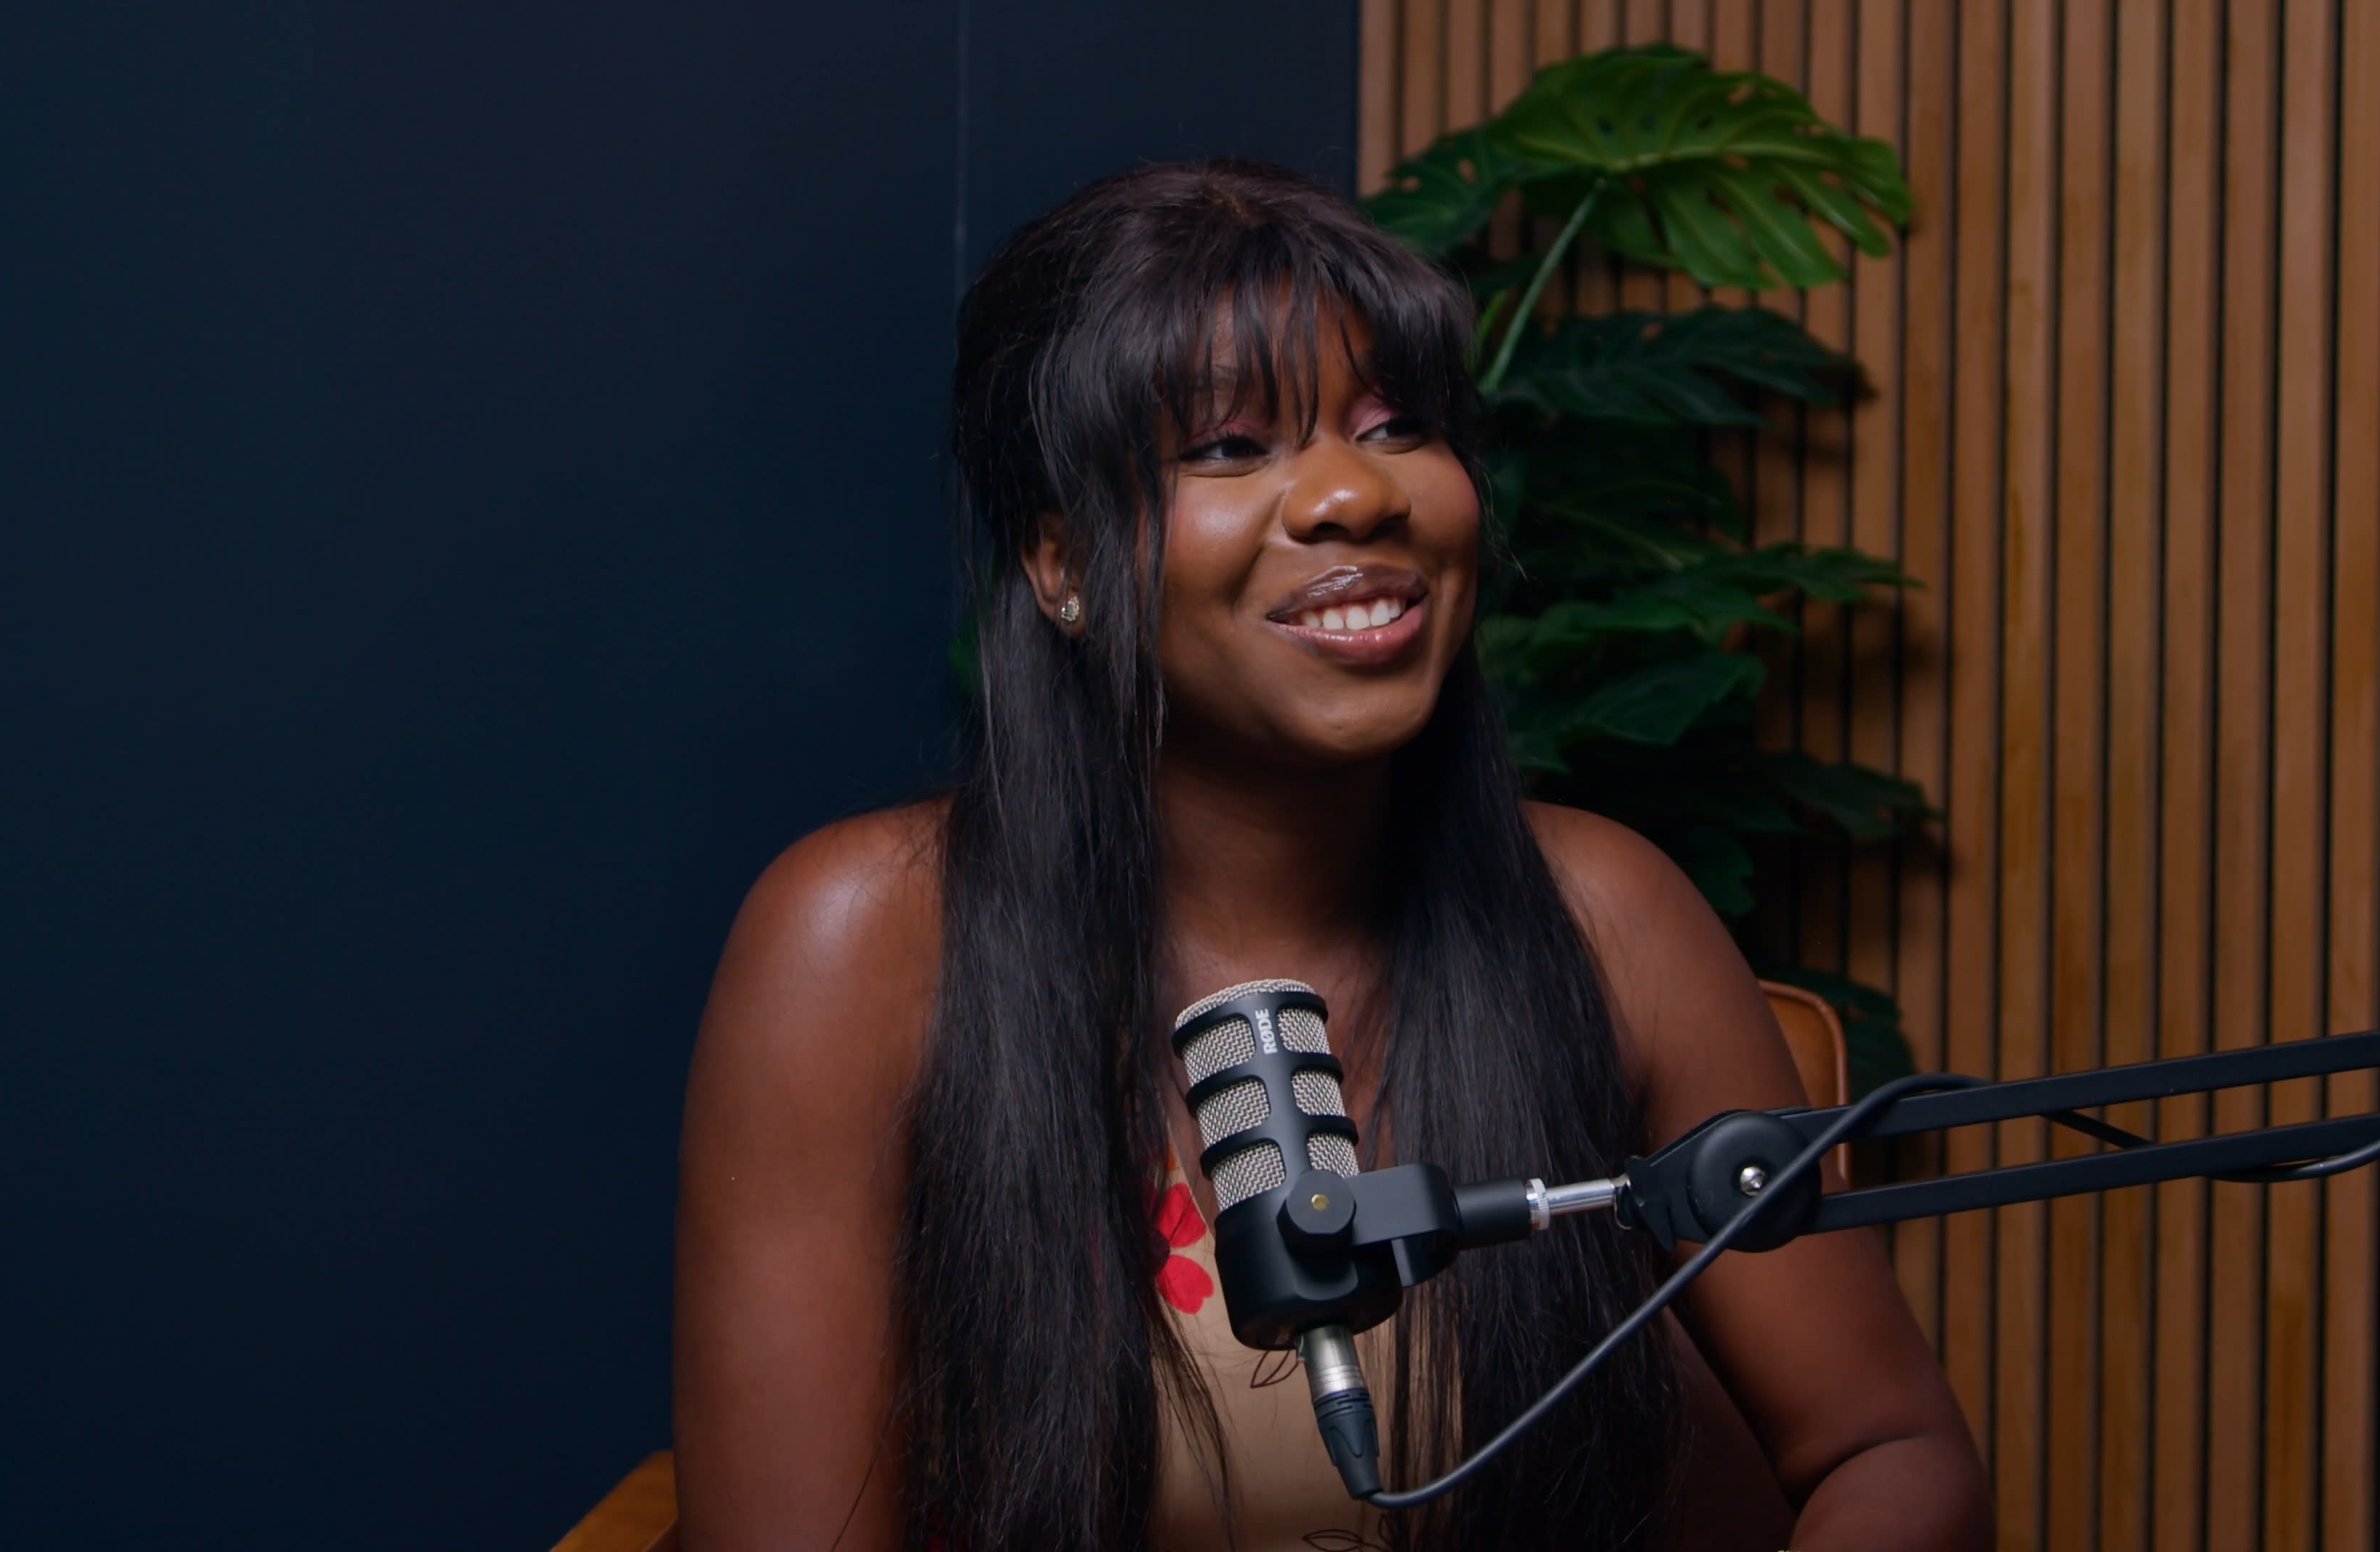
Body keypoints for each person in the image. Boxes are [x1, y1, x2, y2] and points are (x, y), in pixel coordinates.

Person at [672, 159, 1989, 1551]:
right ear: (1061, 567)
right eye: (1232, 447)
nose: (1356, 495)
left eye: (1399, 426)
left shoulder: (1609, 918)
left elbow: (1893, 1452)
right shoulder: (864, 947)